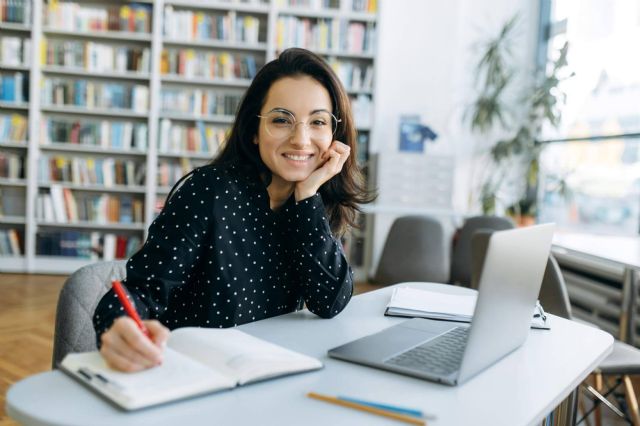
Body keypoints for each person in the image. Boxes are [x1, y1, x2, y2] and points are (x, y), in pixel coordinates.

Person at [93, 48, 375, 372]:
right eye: (282, 120)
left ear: (334, 135)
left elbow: (331, 301)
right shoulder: (209, 191)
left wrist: (308, 194)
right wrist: (117, 326)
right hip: (194, 375)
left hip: (272, 372)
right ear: (255, 130)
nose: (301, 139)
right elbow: (141, 291)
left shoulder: (311, 204)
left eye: (318, 122)